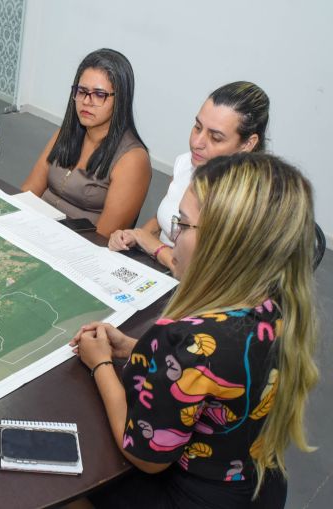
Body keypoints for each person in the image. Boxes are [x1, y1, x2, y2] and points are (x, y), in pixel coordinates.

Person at [71, 153, 318, 508]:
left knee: (66, 489)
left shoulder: (183, 339)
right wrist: (133, 347)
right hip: (255, 486)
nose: (173, 237)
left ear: (224, 244)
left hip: (185, 495)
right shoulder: (279, 306)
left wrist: (101, 365)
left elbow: (146, 455)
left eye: (184, 226)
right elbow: (218, 372)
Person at [108, 81, 269, 271]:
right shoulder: (186, 162)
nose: (197, 142)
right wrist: (132, 236)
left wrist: (155, 247)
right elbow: (162, 220)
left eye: (215, 137)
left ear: (248, 144)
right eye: (197, 127)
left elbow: (201, 275)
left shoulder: (248, 200)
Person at [20, 48, 151, 237]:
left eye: (99, 94)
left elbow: (102, 237)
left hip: (77, 248)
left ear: (120, 100)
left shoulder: (133, 159)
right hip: (34, 230)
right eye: (82, 91)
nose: (87, 101)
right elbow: (28, 193)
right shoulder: (66, 133)